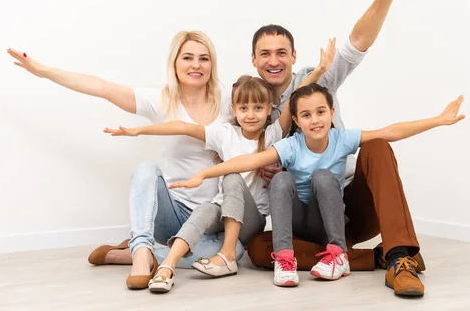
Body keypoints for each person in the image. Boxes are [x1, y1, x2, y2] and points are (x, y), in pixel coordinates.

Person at [246, 0, 430, 296]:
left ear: (294, 56)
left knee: (376, 146)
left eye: (281, 52)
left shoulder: (318, 79)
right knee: (256, 249)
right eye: (264, 53)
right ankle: (363, 259)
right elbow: (231, 152)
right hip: (301, 215)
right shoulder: (247, 106)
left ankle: (399, 258)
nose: (273, 60)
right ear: (253, 59)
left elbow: (359, 41)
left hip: (348, 206)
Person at [172, 84, 465, 296]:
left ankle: (360, 254)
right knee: (264, 232)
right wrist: (204, 173)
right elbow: (249, 160)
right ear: (296, 121)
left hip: (335, 221)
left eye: (321, 112)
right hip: (303, 225)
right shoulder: (290, 145)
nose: (315, 120)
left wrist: (438, 120)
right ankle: (302, 259)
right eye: (307, 115)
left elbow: (390, 131)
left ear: (332, 113)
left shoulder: (342, 139)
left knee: (335, 170)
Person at [7, 30, 236, 290]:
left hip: (214, 216)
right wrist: (45, 71)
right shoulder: (161, 101)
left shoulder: (228, 100)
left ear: (212, 64)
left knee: (236, 251)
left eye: (204, 59)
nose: (196, 65)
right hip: (173, 213)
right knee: (146, 169)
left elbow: (262, 120)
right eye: (188, 58)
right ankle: (140, 252)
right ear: (175, 63)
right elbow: (103, 88)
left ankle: (134, 254)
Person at [103, 39, 337, 293]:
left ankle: (222, 254)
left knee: (232, 178)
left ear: (269, 109)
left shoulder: (271, 135)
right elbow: (182, 126)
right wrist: (140, 131)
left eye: (258, 108)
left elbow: (293, 99)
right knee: (205, 210)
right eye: (244, 108)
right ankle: (164, 264)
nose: (250, 115)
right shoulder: (225, 134)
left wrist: (320, 71)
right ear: (234, 109)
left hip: (251, 219)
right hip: (221, 210)